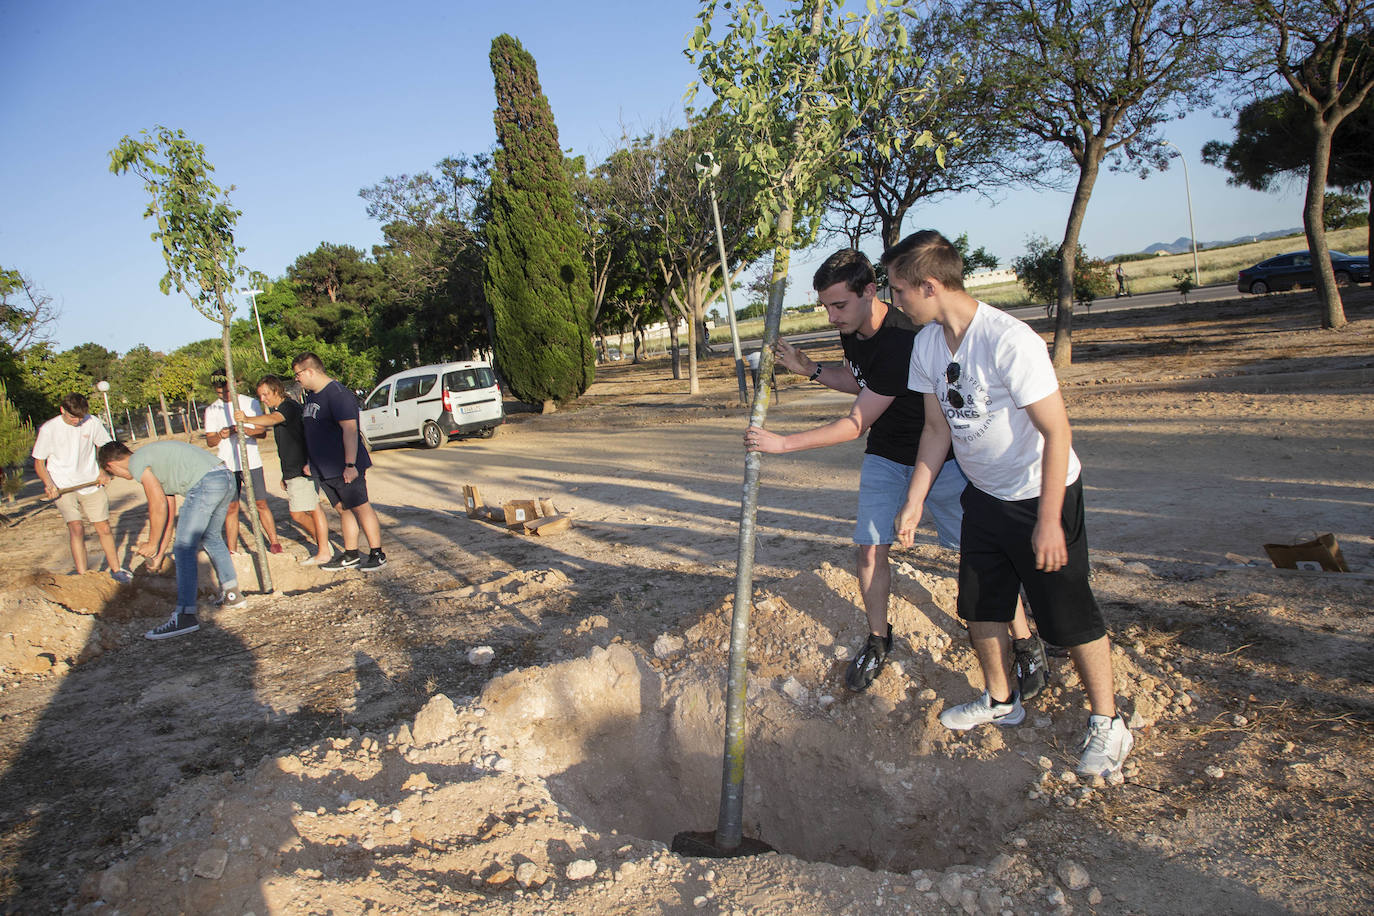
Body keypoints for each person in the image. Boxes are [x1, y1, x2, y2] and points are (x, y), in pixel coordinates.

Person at [885, 229, 1132, 777]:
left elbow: (1057, 430)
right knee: (982, 607)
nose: (894, 301)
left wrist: (1048, 521)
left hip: (1042, 495)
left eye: (900, 290)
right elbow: (935, 429)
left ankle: (1108, 721)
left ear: (929, 286)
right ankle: (1002, 700)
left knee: (1066, 614)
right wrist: (914, 501)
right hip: (986, 497)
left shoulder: (1007, 339)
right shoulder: (926, 344)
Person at [745, 249, 1046, 696]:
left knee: (978, 554)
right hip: (886, 455)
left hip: (939, 460)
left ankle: (1024, 642)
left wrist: (783, 442)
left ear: (870, 291)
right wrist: (811, 370)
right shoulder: (855, 328)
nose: (831, 317)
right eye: (825, 306)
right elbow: (861, 380)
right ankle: (879, 639)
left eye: (838, 305)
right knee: (869, 551)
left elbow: (855, 422)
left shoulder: (903, 338)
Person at [97, 439, 246, 639]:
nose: (125, 477)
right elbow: (167, 511)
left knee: (184, 548)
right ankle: (232, 594)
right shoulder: (155, 461)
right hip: (224, 477)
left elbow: (156, 505)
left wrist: (150, 543)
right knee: (211, 538)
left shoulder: (137, 461)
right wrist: (158, 552)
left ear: (111, 466)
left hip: (205, 482)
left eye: (116, 475)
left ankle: (185, 615)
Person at [291, 353, 386, 572]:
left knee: (361, 506)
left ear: (310, 371)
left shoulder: (337, 394)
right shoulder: (313, 396)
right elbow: (314, 431)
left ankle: (377, 553)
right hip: (325, 468)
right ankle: (351, 553)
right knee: (343, 510)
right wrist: (310, 461)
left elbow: (350, 429)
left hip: (344, 466)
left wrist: (350, 465)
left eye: (298, 374)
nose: (297, 379)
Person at [234, 375, 333, 565]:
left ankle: (323, 548)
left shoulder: (287, 407)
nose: (263, 399)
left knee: (307, 511)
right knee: (305, 511)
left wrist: (247, 418)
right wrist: (284, 473)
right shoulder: (283, 408)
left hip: (301, 469)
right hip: (293, 469)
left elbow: (272, 419)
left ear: (276, 390)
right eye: (260, 396)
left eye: (265, 394)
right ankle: (323, 545)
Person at [31, 394, 130, 583]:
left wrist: (103, 471)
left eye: (80, 417)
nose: (77, 421)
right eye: (72, 417)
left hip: (91, 482)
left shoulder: (91, 422)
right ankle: (83, 576)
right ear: (63, 410)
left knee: (104, 528)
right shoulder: (49, 429)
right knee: (76, 528)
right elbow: (39, 462)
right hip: (62, 485)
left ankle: (117, 570)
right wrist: (48, 483)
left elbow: (106, 447)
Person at [204, 368, 281, 555]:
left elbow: (261, 432)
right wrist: (222, 434)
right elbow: (210, 440)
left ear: (234, 384)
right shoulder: (212, 409)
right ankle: (232, 549)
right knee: (231, 507)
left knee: (261, 503)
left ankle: (274, 541)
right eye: (219, 391)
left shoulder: (250, 403)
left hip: (252, 462)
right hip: (227, 466)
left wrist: (243, 429)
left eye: (226, 389)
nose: (224, 394)